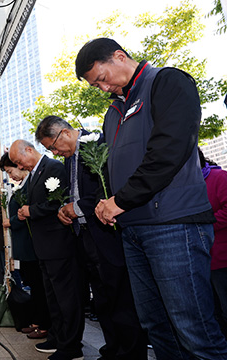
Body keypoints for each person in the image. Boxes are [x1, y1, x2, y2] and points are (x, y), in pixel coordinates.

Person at [76, 37, 227, 358]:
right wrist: (110, 203)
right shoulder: (115, 110)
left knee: (193, 328)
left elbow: (167, 152)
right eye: (95, 86)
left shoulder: (167, 81)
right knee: (155, 326)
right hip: (133, 228)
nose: (101, 88)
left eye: (101, 78)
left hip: (172, 224)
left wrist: (120, 200)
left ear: (119, 56)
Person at [35, 116, 147, 359]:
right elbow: (73, 193)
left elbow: (106, 187)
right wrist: (64, 209)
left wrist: (76, 208)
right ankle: (112, 348)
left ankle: (130, 352)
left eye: (53, 146)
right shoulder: (68, 160)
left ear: (64, 133)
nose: (55, 152)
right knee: (102, 298)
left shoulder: (96, 143)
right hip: (83, 236)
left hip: (106, 233)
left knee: (120, 297)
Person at [9, 140, 84, 359]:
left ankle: (71, 346)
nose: (19, 166)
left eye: (18, 160)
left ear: (29, 150)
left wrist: (31, 210)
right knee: (53, 297)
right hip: (43, 247)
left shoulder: (54, 168)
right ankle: (58, 336)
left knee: (66, 297)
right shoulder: (34, 175)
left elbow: (57, 203)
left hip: (58, 244)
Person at [0, 154, 51, 341]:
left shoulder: (31, 183)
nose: (11, 176)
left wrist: (11, 221)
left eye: (11, 171)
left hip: (32, 244)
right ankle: (38, 321)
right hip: (25, 245)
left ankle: (43, 323)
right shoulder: (24, 184)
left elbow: (25, 214)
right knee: (35, 286)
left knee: (39, 287)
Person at [199, 149, 227, 338]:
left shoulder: (219, 177)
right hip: (202, 261)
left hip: (222, 259)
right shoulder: (186, 186)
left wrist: (203, 224)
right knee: (214, 313)